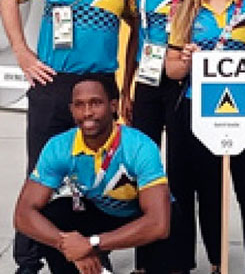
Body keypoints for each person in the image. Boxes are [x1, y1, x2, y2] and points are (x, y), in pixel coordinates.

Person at [0, 0, 138, 272]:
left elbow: (139, 26)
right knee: (40, 173)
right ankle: (28, 261)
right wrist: (24, 53)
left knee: (96, 174)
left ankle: (94, 251)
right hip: (53, 84)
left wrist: (125, 87)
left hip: (101, 85)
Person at [164, 0, 245, 274]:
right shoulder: (186, 10)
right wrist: (186, 58)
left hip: (244, 114)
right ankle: (215, 264)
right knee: (209, 196)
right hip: (199, 113)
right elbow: (172, 69)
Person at [13, 78, 173, 274]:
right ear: (71, 110)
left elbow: (158, 223)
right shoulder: (59, 146)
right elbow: (23, 214)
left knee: (171, 219)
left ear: (113, 106)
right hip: (100, 210)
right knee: (54, 214)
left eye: (96, 103)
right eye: (79, 105)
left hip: (137, 213)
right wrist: (70, 246)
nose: (87, 112)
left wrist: (92, 243)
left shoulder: (140, 146)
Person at [126, 0, 193, 274]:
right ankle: (144, 262)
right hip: (147, 82)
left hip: (182, 82)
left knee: (181, 173)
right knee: (142, 170)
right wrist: (126, 87)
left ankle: (181, 260)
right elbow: (134, 34)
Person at [127, 0, 193, 139]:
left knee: (180, 158)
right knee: (142, 156)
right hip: (147, 74)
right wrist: (127, 89)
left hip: (181, 77)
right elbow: (135, 34)